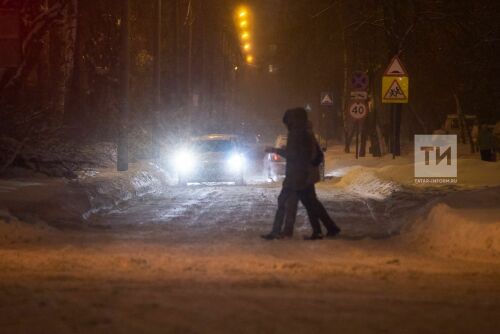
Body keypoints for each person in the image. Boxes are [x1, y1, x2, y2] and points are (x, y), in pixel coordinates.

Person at [262, 108, 341, 240]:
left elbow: (293, 155)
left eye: (287, 122)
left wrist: (276, 150)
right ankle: (326, 229)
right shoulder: (306, 131)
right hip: (304, 173)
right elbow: (302, 153)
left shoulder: (296, 133)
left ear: (292, 120)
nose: (286, 125)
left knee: (285, 201)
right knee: (311, 203)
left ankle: (279, 232)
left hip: (297, 174)